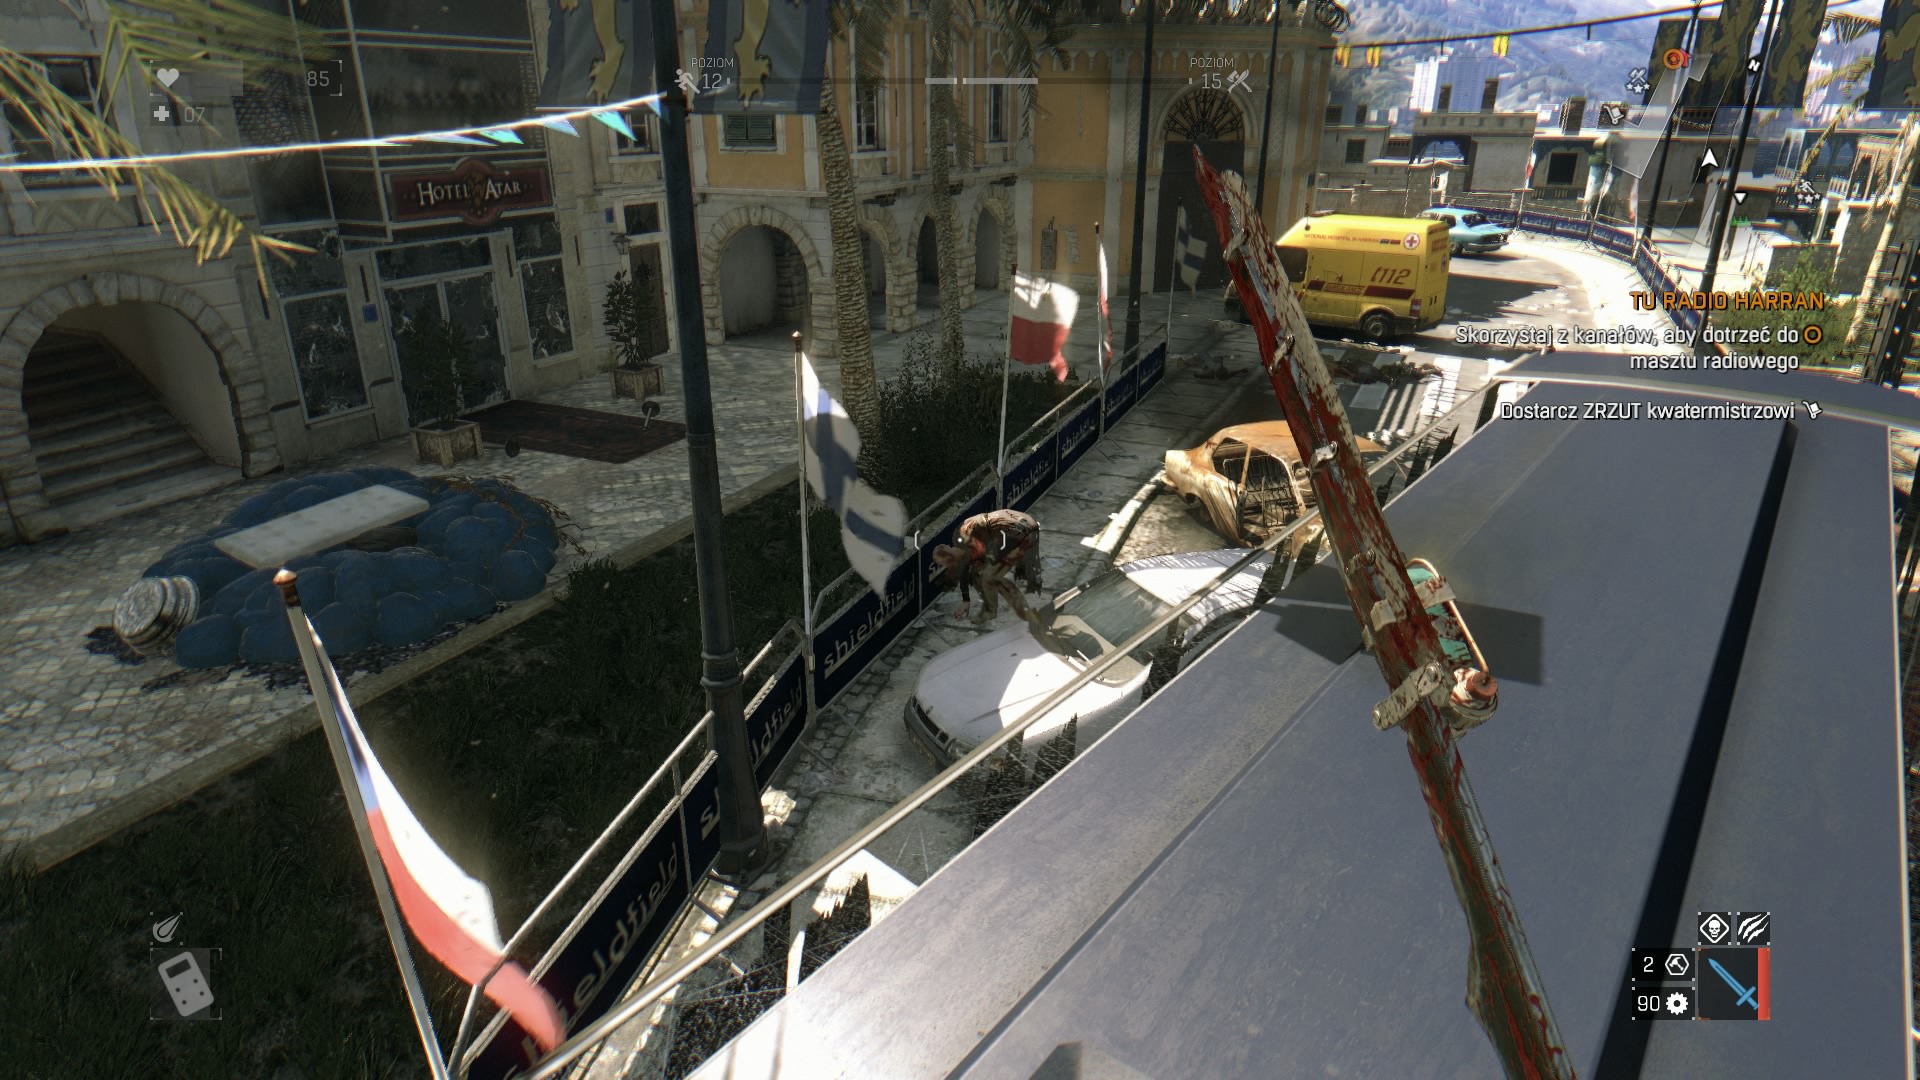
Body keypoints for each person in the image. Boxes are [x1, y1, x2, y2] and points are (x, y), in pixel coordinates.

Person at [932, 509, 1043, 625]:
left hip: (1018, 532)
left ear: (950, 558)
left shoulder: (967, 536)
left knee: (990, 576)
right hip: (1011, 531)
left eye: (947, 564)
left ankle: (1027, 614)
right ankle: (990, 610)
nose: (948, 567)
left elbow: (1001, 539)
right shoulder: (961, 547)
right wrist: (966, 600)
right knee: (979, 574)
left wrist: (992, 560)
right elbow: (964, 569)